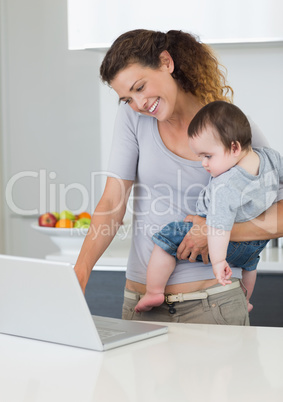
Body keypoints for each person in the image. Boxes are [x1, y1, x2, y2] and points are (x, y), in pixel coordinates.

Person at [74, 29, 283, 325]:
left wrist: (215, 230)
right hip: (139, 305)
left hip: (213, 304)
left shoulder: (232, 129)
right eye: (127, 98)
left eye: (140, 87)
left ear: (166, 62)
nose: (139, 103)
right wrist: (80, 272)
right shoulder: (133, 119)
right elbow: (111, 203)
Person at [135, 100, 283, 314]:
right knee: (250, 266)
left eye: (207, 156)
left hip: (226, 240)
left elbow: (218, 227)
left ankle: (153, 291)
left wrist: (218, 261)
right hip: (257, 243)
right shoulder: (271, 158)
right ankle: (246, 300)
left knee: (167, 237)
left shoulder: (225, 185)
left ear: (234, 147)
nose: (203, 163)